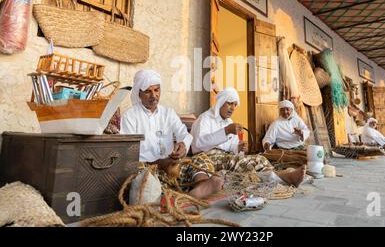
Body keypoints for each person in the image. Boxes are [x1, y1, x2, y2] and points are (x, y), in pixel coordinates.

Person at [120, 70, 223, 199]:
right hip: (149, 168)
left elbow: (183, 134)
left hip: (172, 166)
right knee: (139, 174)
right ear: (139, 94)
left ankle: (199, 188)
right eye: (148, 91)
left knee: (201, 158)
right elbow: (129, 152)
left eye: (157, 90)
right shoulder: (130, 116)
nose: (154, 95)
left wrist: (182, 145)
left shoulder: (168, 113)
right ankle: (190, 194)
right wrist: (160, 163)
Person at [191, 87, 307, 187]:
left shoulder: (229, 122)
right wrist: (226, 131)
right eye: (230, 103)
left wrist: (239, 147)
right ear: (221, 102)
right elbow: (198, 144)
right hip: (209, 157)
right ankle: (284, 177)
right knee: (248, 162)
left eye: (235, 105)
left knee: (259, 159)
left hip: (226, 157)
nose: (232, 108)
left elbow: (231, 147)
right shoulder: (204, 119)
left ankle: (279, 177)